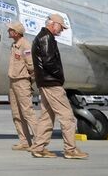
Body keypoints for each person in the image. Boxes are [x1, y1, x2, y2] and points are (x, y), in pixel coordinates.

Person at [31, 13, 88, 159]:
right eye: (61, 27)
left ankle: (38, 147)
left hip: (45, 82)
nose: (61, 30)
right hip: (51, 83)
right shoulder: (47, 38)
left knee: (47, 116)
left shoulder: (41, 37)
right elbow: (49, 62)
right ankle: (70, 150)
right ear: (53, 24)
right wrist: (59, 76)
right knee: (67, 116)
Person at [5, 21, 37, 151]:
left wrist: (29, 81)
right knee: (16, 113)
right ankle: (24, 141)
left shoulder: (25, 45)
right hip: (13, 82)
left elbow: (32, 66)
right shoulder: (14, 45)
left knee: (27, 112)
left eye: (10, 30)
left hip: (22, 81)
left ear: (16, 33)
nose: (8, 32)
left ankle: (39, 142)